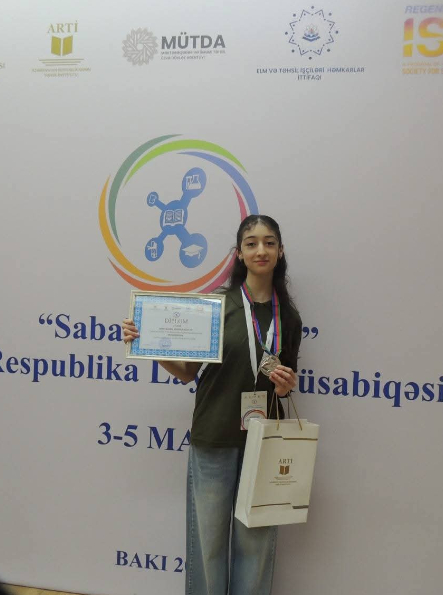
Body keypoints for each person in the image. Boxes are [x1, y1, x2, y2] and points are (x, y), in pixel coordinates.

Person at [122, 214, 302, 595]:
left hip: (264, 444)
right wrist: (148, 343)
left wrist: (286, 387)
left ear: (280, 251)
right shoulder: (217, 307)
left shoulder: (289, 317)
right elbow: (187, 372)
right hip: (214, 437)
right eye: (251, 243)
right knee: (209, 545)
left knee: (257, 544)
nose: (261, 250)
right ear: (239, 254)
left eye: (269, 242)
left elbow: (286, 385)